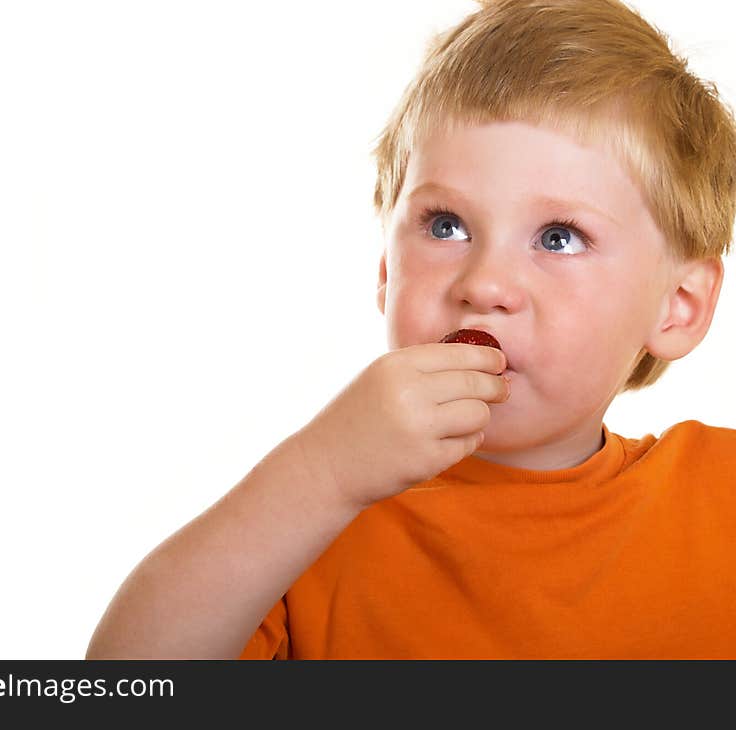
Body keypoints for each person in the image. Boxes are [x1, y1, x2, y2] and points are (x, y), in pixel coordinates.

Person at [85, 0, 736, 659]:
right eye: (445, 226)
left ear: (678, 305)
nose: (484, 284)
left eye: (559, 237)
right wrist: (321, 475)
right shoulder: (310, 523)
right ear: (385, 267)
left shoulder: (718, 498)